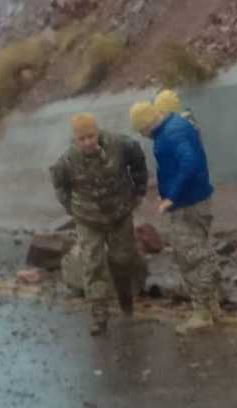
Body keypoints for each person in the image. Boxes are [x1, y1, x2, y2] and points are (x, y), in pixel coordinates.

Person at [50, 113, 148, 336]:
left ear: (97, 133)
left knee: (122, 259)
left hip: (119, 214)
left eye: (90, 137)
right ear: (75, 140)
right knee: (93, 265)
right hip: (88, 220)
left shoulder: (119, 144)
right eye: (81, 139)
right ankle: (99, 316)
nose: (87, 142)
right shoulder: (66, 161)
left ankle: (126, 302)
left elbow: (138, 159)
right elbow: (59, 184)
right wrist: (71, 208)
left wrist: (139, 190)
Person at [129, 101, 220, 336]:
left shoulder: (170, 134)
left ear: (146, 124)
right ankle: (212, 305)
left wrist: (172, 196)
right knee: (201, 252)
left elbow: (189, 163)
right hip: (197, 200)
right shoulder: (175, 125)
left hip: (187, 204)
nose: (142, 135)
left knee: (190, 258)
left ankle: (202, 314)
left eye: (141, 130)